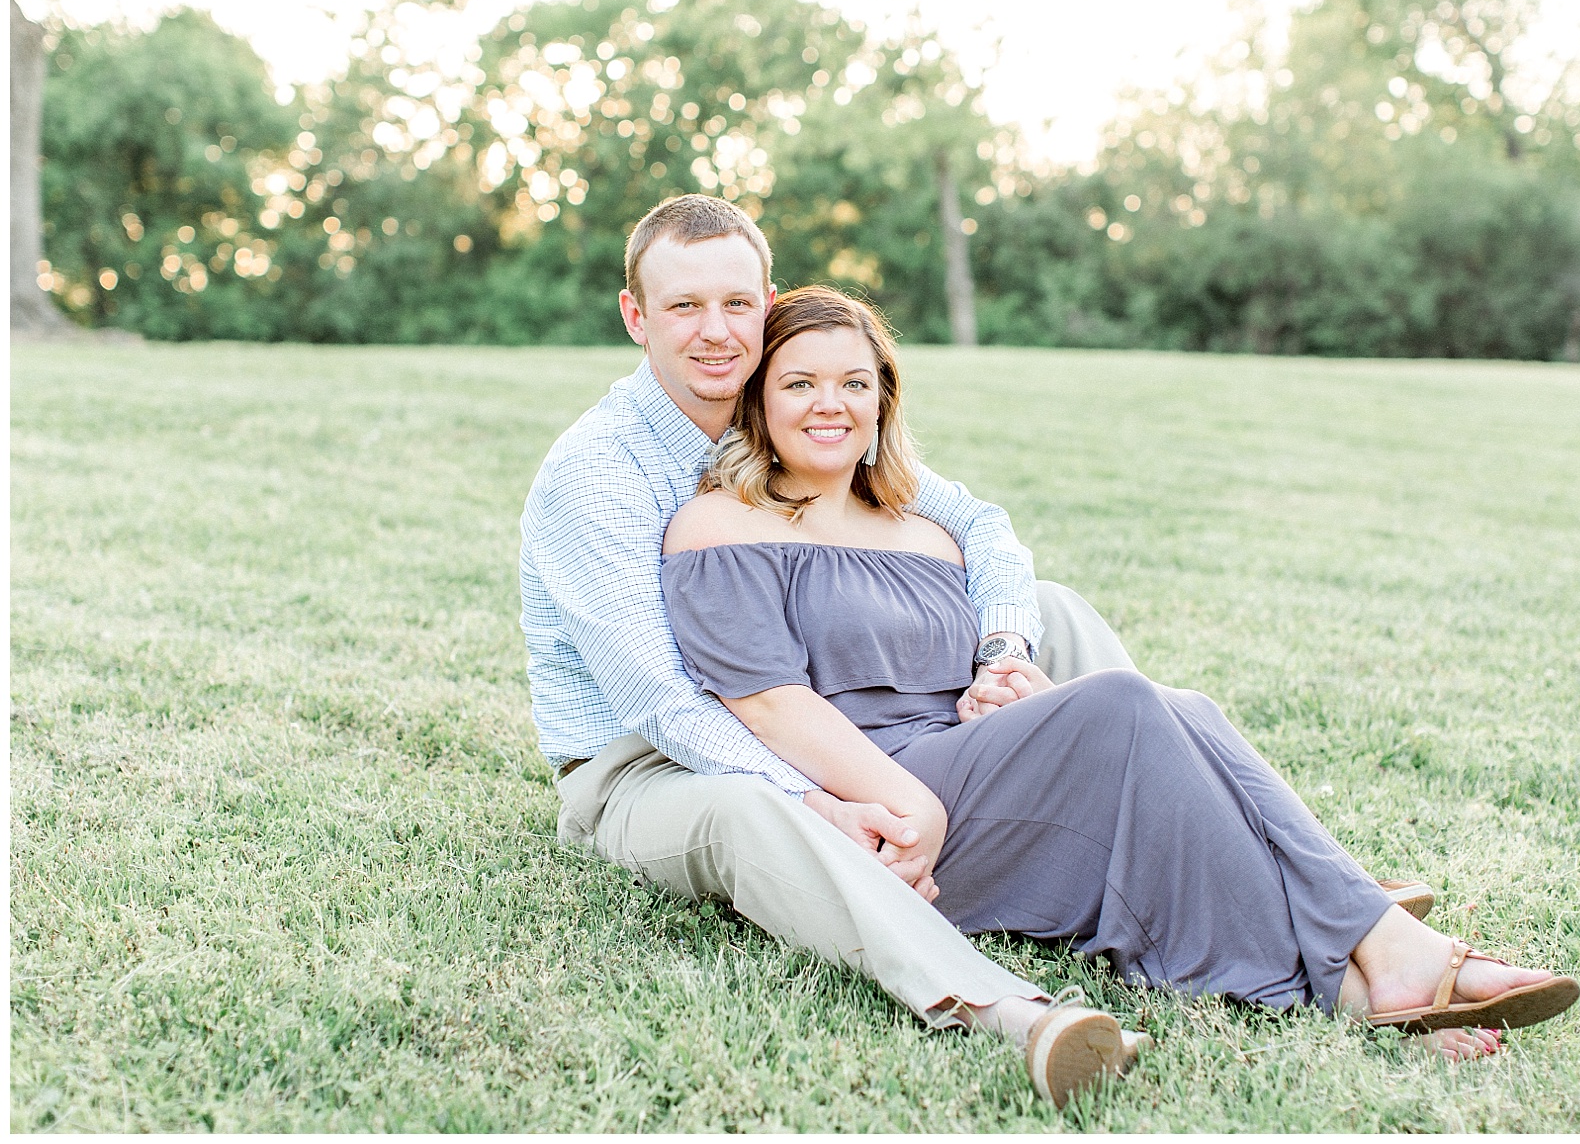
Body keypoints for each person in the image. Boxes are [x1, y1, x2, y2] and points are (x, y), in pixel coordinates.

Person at [522, 195, 1486, 1108]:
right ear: (636, 316)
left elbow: (976, 526)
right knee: (751, 803)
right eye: (683, 305)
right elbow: (661, 701)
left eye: (737, 303)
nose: (715, 330)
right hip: (652, 764)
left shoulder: (787, 396)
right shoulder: (600, 470)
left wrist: (1002, 655)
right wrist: (830, 798)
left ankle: (1211, 851)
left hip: (831, 710)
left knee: (1062, 620)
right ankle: (1004, 1006)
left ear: (767, 307)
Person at [657, 285, 1580, 1060]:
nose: (832, 403)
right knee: (1126, 704)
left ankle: (1370, 960)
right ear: (759, 400)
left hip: (966, 756)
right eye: (801, 383)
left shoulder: (923, 528)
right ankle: (1374, 954)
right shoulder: (723, 526)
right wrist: (917, 803)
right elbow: (769, 706)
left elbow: (985, 603)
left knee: (1188, 708)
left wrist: (1001, 673)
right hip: (885, 812)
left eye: (855, 382)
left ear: (883, 399)